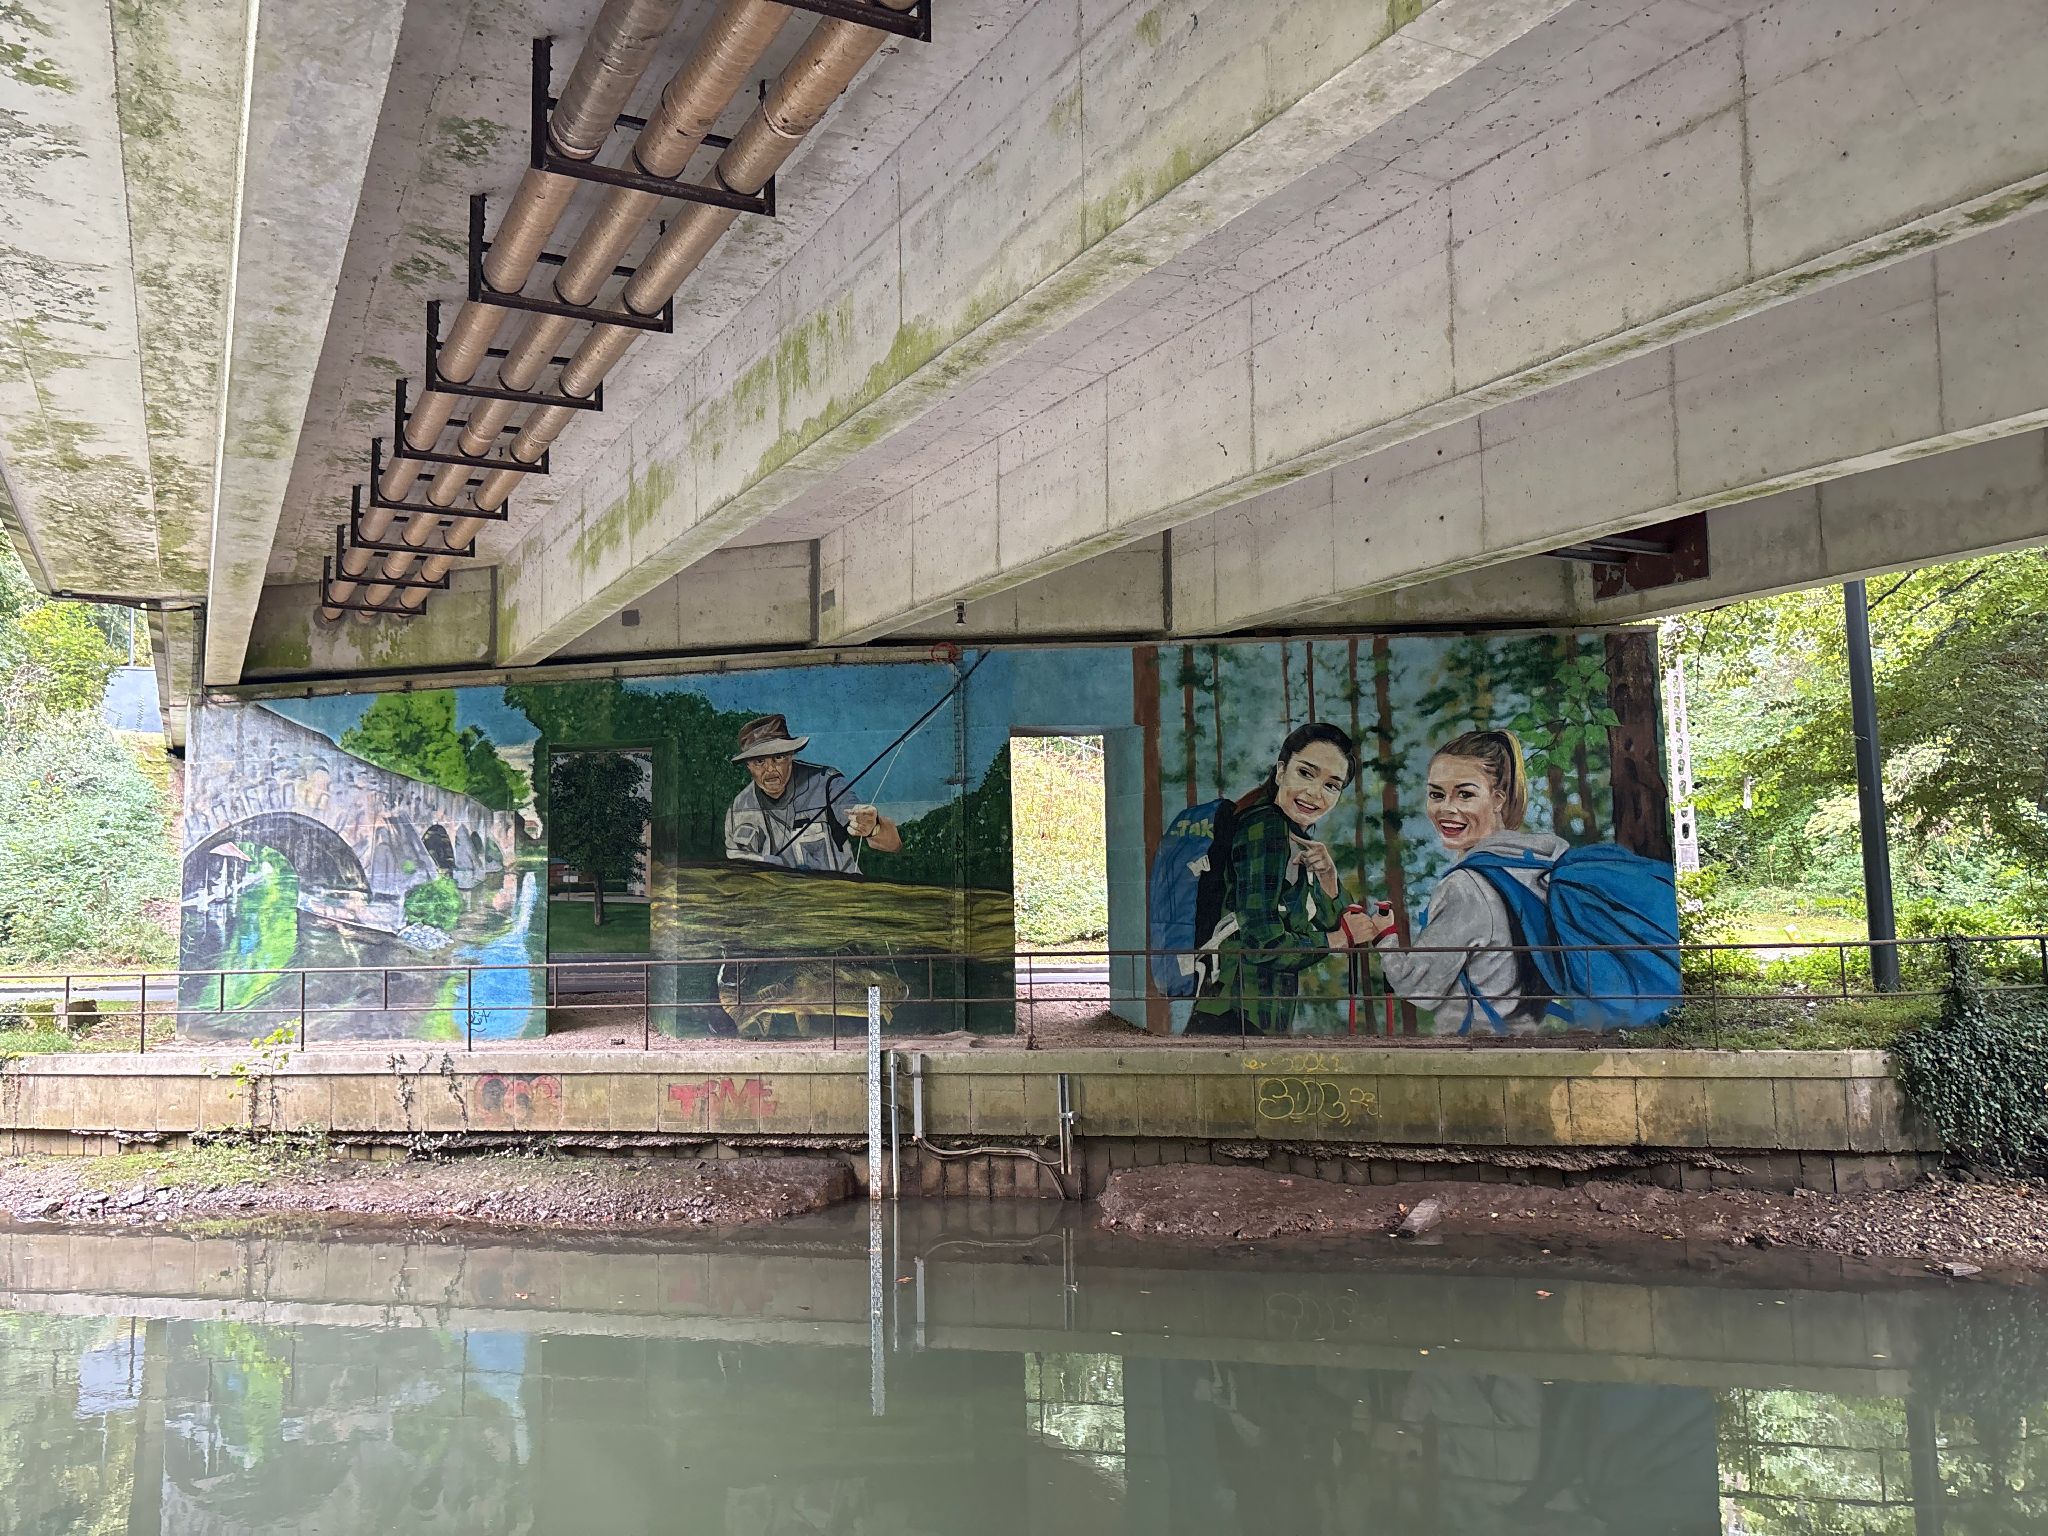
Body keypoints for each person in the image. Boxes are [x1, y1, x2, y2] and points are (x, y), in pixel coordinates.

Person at [1345, 729, 1568, 1033]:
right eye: (1436, 794)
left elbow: (1420, 987)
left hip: (1476, 1043)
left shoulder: (1465, 887)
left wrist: (1387, 937)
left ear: (1498, 799)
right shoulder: (1541, 865)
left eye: (1465, 794)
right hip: (1533, 1034)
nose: (1446, 808)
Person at [1187, 721, 1358, 1036]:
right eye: (1305, 773)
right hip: (1238, 1013)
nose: (1314, 793)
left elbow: (1336, 921)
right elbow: (1261, 942)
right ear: (1281, 772)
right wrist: (1336, 941)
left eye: (1331, 785)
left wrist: (1328, 877)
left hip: (1249, 1012)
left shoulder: (1293, 837)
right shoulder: (1266, 828)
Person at [723, 714, 901, 874]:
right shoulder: (737, 809)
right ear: (748, 765)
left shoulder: (827, 783)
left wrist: (874, 827)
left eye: (778, 757)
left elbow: (893, 844)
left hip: (838, 894)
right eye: (760, 761)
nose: (770, 769)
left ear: (791, 755)